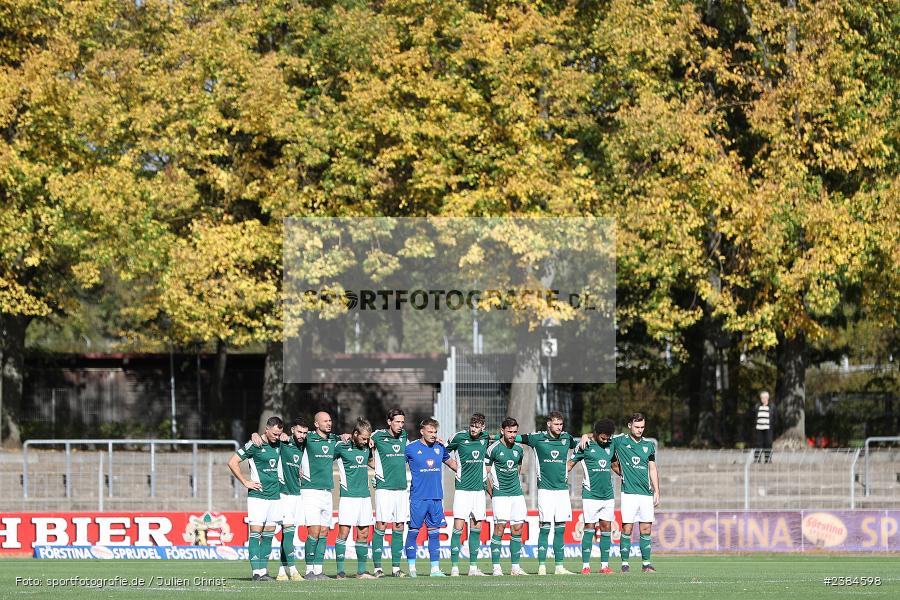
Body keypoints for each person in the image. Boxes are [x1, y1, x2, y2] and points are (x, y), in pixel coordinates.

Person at [517, 411, 580, 575]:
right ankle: (542, 566)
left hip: (562, 491)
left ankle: (559, 566)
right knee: (545, 528)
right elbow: (514, 438)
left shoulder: (567, 438)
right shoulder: (537, 438)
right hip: (545, 490)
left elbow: (580, 447)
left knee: (560, 528)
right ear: (548, 424)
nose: (559, 427)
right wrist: (489, 437)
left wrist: (586, 437)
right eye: (556, 424)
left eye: (561, 424)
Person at [227, 416, 284, 581]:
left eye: (279, 434)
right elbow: (232, 462)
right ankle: (256, 573)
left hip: (275, 496)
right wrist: (245, 481)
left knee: (268, 534)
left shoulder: (280, 443)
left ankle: (263, 571)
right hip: (258, 496)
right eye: (274, 434)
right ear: (266, 429)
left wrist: (284, 436)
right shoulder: (255, 444)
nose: (277, 437)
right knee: (255, 533)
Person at [404, 417, 458, 577]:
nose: (433, 434)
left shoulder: (440, 448)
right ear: (422, 431)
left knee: (434, 533)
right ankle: (412, 569)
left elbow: (453, 465)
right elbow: (396, 465)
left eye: (435, 432)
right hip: (418, 498)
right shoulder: (411, 448)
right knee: (413, 531)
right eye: (430, 431)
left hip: (436, 498)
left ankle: (435, 569)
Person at [611, 412, 659, 573]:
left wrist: (657, 491)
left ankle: (646, 564)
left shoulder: (649, 445)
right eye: (637, 427)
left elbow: (652, 468)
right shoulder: (619, 441)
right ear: (629, 425)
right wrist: (584, 436)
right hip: (629, 493)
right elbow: (600, 435)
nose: (640, 430)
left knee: (646, 529)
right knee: (627, 529)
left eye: (642, 427)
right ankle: (625, 564)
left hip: (646, 493)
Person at [296, 411, 341, 580]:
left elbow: (349, 438)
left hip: (327, 491)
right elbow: (290, 440)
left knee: (324, 531)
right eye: (325, 421)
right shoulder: (307, 437)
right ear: (316, 424)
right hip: (310, 490)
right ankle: (308, 570)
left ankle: (318, 570)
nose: (329, 423)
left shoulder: (333, 439)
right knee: (313, 530)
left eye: (330, 420)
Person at [568, 418, 616, 574]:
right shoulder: (585, 445)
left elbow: (615, 465)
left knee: (606, 527)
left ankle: (604, 566)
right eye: (603, 437)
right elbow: (570, 464)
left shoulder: (611, 444)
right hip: (590, 494)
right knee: (589, 527)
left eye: (608, 437)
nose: (606, 440)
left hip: (608, 494)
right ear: (595, 434)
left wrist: (626, 475)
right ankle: (585, 566)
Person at [446, 413, 492, 576]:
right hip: (463, 491)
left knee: (476, 527)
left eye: (477, 426)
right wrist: (454, 465)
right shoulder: (459, 437)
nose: (474, 429)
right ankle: (454, 567)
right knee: (458, 527)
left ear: (483, 427)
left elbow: (499, 436)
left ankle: (473, 567)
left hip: (479, 491)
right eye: (472, 425)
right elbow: (443, 451)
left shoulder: (485, 437)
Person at [333, 418, 377, 579]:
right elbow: (323, 458)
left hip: (365, 497)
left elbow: (372, 463)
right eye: (364, 438)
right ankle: (340, 572)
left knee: (364, 533)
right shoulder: (341, 446)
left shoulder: (367, 447)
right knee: (343, 533)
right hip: (348, 497)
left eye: (368, 438)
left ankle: (361, 571)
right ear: (355, 433)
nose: (366, 441)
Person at [485, 417, 528, 576]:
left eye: (515, 432)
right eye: (509, 431)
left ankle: (515, 567)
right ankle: (496, 567)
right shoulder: (493, 449)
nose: (512, 435)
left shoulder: (519, 449)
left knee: (517, 528)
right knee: (500, 528)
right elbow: (486, 475)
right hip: (500, 495)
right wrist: (493, 494)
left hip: (517, 495)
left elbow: (518, 469)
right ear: (502, 431)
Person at [370, 408, 409, 577]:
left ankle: (396, 569)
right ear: (389, 422)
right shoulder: (377, 436)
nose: (400, 425)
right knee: (381, 525)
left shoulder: (404, 436)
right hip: (384, 489)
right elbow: (361, 441)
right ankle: (377, 568)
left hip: (401, 488)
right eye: (397, 422)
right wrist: (377, 470)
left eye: (402, 422)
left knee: (399, 526)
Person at [276, 417, 308, 581]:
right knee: (288, 533)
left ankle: (282, 572)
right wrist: (255, 434)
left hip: (296, 494)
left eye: (304, 432)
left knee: (288, 534)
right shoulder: (283, 442)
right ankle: (294, 571)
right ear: (292, 430)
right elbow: (265, 437)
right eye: (299, 431)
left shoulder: (303, 445)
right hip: (284, 494)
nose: (302, 435)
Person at [754, 391, 774, 464]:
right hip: (759, 428)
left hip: (768, 428)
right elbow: (754, 416)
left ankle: (768, 460)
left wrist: (772, 426)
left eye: (764, 397)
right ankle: (757, 459)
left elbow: (775, 418)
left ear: (767, 398)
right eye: (761, 398)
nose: (762, 399)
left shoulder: (772, 406)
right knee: (758, 444)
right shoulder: (757, 406)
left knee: (768, 444)